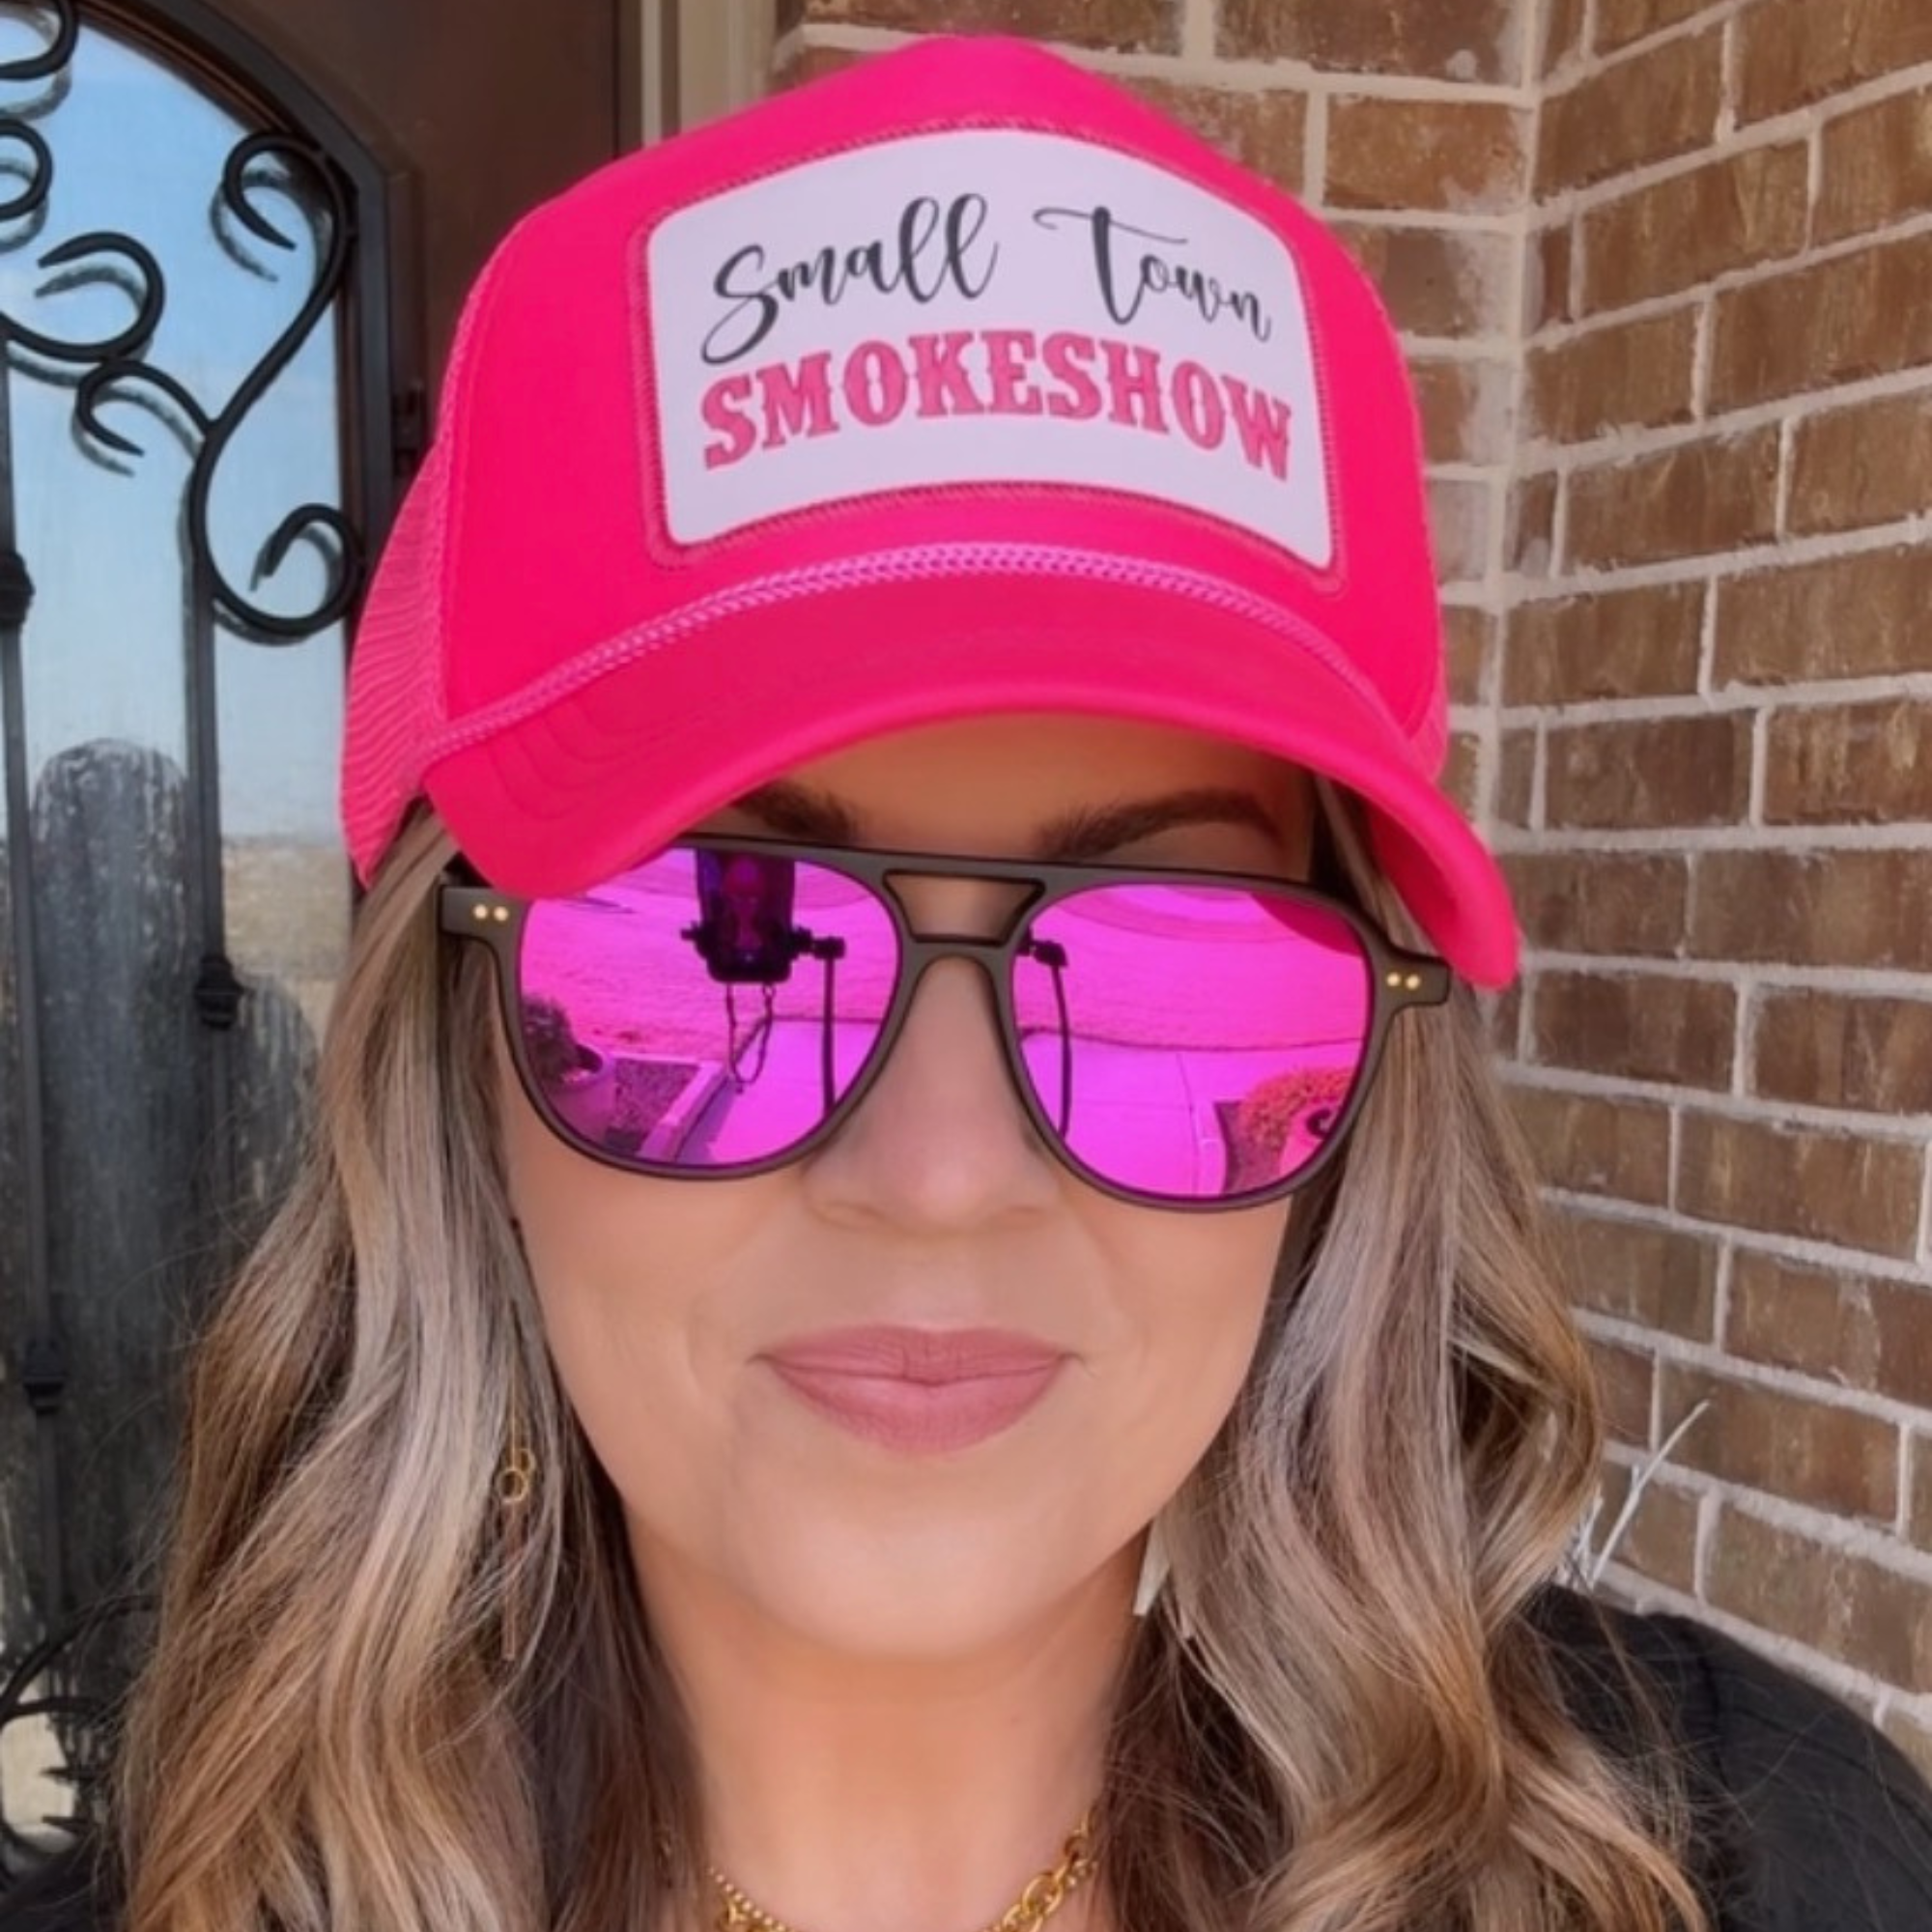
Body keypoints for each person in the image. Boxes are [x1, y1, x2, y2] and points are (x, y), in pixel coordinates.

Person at [7, 32, 1931, 1932]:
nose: (940, 1172)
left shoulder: (1760, 1865)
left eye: (1175, 962)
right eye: (711, 937)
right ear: (459, 1073)